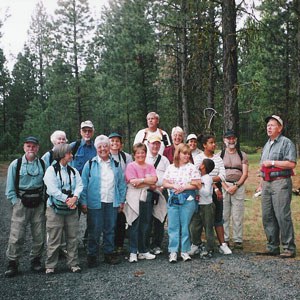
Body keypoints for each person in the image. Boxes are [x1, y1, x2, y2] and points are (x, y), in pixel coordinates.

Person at [80, 135, 127, 267]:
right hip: (95, 202)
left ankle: (108, 253)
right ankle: (92, 255)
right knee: (94, 230)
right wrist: (83, 202)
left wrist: (121, 201)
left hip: (112, 201)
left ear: (109, 147)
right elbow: (83, 185)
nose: (103, 149)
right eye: (100, 147)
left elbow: (121, 184)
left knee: (110, 229)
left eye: (105, 146)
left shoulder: (116, 164)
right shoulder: (89, 164)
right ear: (96, 148)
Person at [256, 115, 296, 258]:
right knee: (267, 215)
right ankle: (272, 246)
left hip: (281, 182)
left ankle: (289, 247)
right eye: (268, 125)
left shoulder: (286, 143)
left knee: (282, 215)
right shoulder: (266, 145)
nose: (269, 127)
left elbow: (291, 163)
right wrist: (261, 184)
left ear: (280, 128)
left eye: (272, 125)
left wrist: (272, 163)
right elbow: (262, 167)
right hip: (267, 183)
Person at [5, 136, 46, 277]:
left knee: (39, 234)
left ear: (38, 148)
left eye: (34, 146)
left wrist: (44, 201)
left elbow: (46, 185)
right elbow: (9, 188)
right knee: (16, 235)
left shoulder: (42, 164)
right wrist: (16, 202)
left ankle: (36, 260)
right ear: (24, 147)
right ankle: (13, 263)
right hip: (21, 204)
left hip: (38, 204)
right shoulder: (15, 165)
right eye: (28, 146)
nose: (31, 149)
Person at [43, 144, 83, 274]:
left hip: (71, 209)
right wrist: (68, 199)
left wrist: (75, 197)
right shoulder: (51, 171)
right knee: (54, 237)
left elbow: (79, 185)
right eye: (69, 153)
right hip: (55, 209)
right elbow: (52, 189)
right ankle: (50, 265)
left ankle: (74, 263)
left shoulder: (73, 170)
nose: (71, 155)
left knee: (72, 237)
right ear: (61, 155)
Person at [192, 134, 232, 255]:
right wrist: (210, 182)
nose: (214, 145)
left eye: (214, 142)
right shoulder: (199, 158)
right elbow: (195, 174)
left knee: (218, 217)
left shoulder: (218, 159)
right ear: (204, 145)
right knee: (198, 219)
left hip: (215, 190)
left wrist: (208, 180)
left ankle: (222, 244)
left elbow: (223, 176)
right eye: (211, 142)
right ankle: (196, 244)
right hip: (202, 191)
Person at [163, 143, 201, 263]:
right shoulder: (170, 167)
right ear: (178, 154)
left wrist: (184, 187)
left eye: (188, 154)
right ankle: (173, 251)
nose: (187, 156)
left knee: (185, 226)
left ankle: (184, 251)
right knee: (173, 226)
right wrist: (173, 185)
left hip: (187, 200)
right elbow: (164, 182)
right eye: (184, 153)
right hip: (173, 200)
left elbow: (198, 184)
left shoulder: (192, 168)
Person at [123, 143, 158, 263]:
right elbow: (133, 182)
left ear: (145, 153)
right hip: (133, 197)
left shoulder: (150, 166)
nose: (140, 155)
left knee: (146, 224)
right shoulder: (131, 166)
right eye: (138, 152)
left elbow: (154, 180)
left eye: (142, 152)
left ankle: (143, 250)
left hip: (146, 197)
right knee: (134, 224)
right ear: (134, 154)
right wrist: (146, 181)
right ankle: (133, 251)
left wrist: (141, 180)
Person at [70, 120, 97, 246]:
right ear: (80, 132)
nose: (87, 133)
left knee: (92, 218)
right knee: (73, 219)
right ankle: (71, 245)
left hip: (92, 189)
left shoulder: (97, 148)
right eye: (84, 130)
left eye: (89, 130)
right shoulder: (73, 147)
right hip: (75, 190)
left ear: (93, 132)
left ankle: (88, 241)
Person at [221, 130, 248, 249]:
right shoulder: (220, 155)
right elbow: (217, 173)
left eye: (233, 138)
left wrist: (236, 186)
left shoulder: (242, 155)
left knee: (237, 214)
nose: (231, 141)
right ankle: (225, 239)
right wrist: (226, 187)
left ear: (236, 140)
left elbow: (245, 173)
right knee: (224, 214)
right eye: (228, 138)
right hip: (224, 186)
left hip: (239, 186)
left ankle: (238, 240)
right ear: (224, 140)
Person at [108, 132, 133, 254]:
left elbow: (129, 174)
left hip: (122, 191)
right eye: (112, 141)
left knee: (120, 218)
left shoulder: (126, 157)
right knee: (109, 220)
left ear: (121, 144)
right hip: (109, 191)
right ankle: (109, 245)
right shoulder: (105, 155)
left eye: (117, 141)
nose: (114, 143)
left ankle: (119, 244)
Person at [145, 135, 169, 255]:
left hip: (162, 191)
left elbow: (169, 176)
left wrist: (162, 187)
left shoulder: (164, 160)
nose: (155, 146)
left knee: (160, 217)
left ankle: (157, 244)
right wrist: (151, 186)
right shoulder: (144, 158)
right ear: (148, 144)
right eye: (153, 143)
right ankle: (145, 245)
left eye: (157, 144)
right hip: (147, 191)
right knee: (147, 218)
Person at [191, 158, 216, 258]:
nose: (199, 165)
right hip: (198, 205)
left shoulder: (207, 178)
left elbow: (207, 193)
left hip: (207, 206)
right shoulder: (200, 177)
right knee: (194, 226)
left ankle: (210, 248)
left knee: (208, 227)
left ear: (204, 167)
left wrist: (199, 186)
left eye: (201, 163)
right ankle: (197, 244)